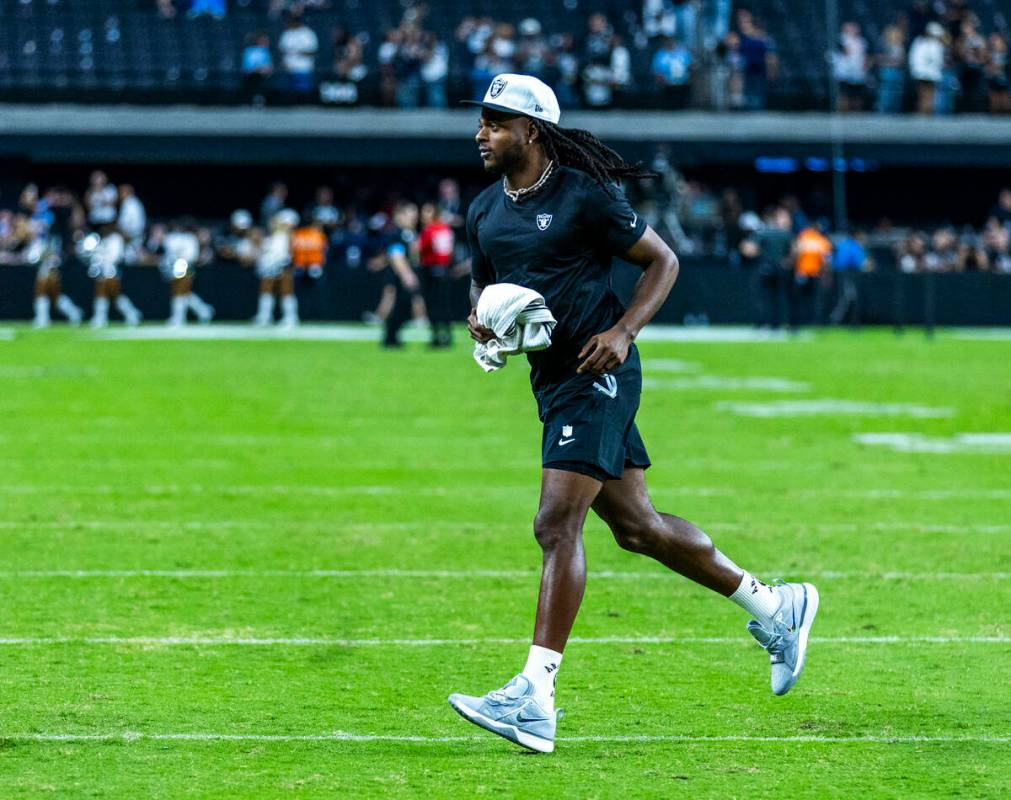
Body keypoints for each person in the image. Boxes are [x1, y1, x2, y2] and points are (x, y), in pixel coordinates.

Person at [448, 73, 820, 754]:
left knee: (554, 522)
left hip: (600, 372)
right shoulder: (484, 210)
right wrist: (480, 319)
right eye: (481, 121)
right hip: (552, 381)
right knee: (639, 529)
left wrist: (623, 333)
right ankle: (774, 606)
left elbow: (661, 261)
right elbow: (482, 277)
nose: (482, 134)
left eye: (496, 122)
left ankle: (534, 694)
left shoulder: (584, 196)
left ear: (530, 130)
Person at [417, 202, 456, 347]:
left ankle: (437, 337)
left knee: (433, 305)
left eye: (427, 212)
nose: (423, 215)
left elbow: (420, 249)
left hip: (431, 269)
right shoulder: (445, 229)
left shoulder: (430, 230)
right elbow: (449, 251)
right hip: (444, 269)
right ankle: (446, 336)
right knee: (444, 304)